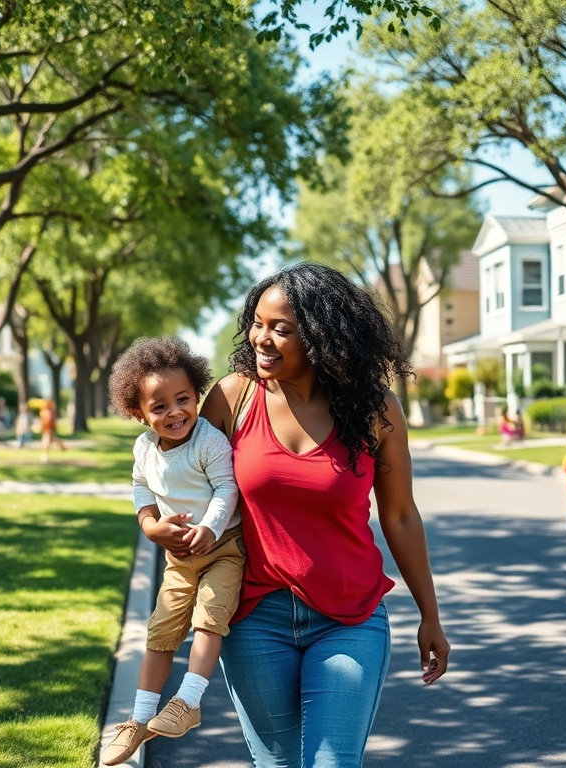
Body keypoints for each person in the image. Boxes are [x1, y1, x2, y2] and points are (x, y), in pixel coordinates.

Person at [170, 262, 449, 768]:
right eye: (257, 323)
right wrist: (163, 524)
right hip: (254, 616)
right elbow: (184, 481)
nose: (262, 338)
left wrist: (431, 614)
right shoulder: (233, 399)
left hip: (350, 618)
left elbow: (402, 516)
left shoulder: (376, 411)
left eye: (281, 328)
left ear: (323, 337)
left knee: (333, 763)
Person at [100, 337, 242, 766]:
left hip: (224, 549)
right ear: (138, 413)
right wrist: (150, 525)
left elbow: (226, 487)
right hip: (178, 557)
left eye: (183, 399)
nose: (174, 411)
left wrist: (210, 527)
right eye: (158, 406)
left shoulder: (208, 441)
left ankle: (188, 701)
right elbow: (141, 488)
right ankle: (140, 719)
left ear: (197, 394)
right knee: (161, 630)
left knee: (209, 617)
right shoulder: (144, 448)